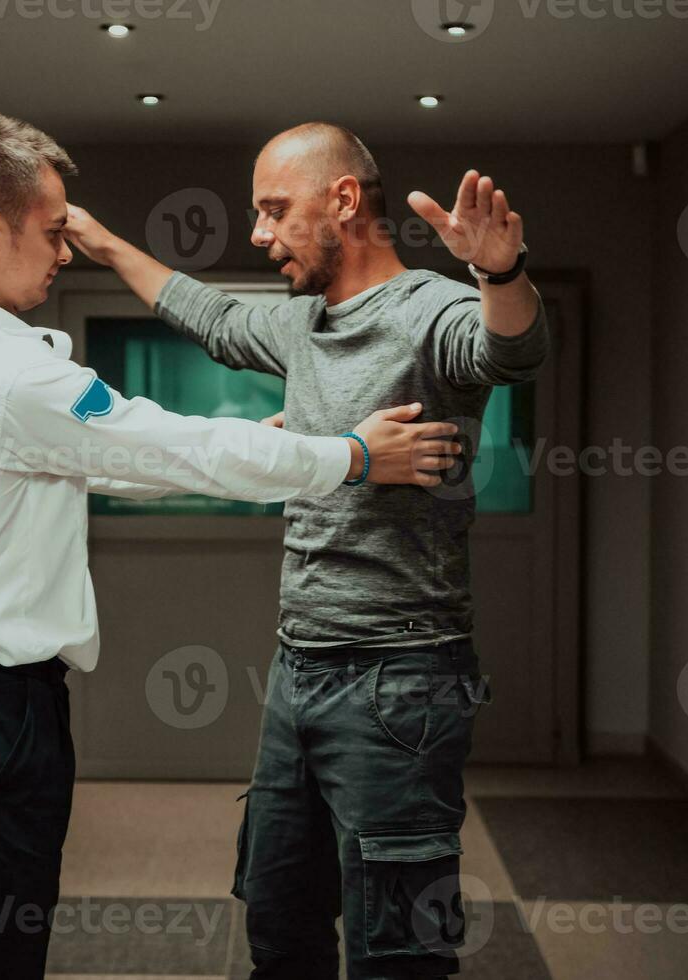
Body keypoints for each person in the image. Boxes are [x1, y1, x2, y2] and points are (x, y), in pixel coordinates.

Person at [0, 112, 462, 980]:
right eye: (52, 232)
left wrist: (265, 447)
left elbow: (109, 461)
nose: (64, 252)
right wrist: (354, 455)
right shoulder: (4, 372)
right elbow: (171, 444)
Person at [64, 121, 550, 978]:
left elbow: (510, 351)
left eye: (274, 210)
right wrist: (101, 243)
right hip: (298, 672)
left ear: (345, 201)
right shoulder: (302, 327)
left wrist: (498, 273)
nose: (258, 233)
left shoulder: (427, 309)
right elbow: (207, 314)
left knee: (395, 948)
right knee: (278, 924)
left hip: (401, 678)